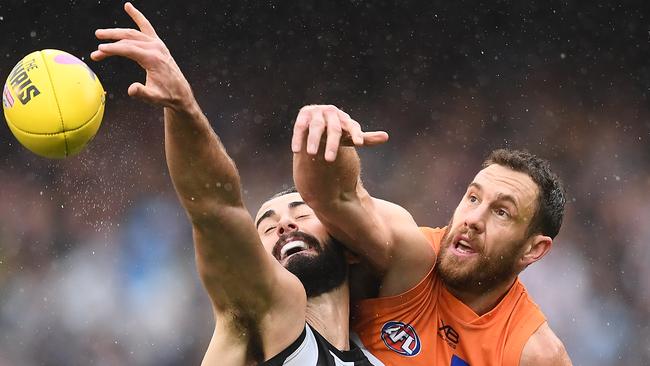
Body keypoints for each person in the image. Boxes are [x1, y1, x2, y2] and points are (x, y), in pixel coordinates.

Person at [91, 4, 379, 365]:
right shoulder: (257, 325)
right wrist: (185, 109)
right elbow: (215, 208)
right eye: (267, 227)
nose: (284, 225)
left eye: (301, 215)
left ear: (349, 246)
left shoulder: (384, 356)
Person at [291, 105, 573, 365]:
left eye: (501, 212)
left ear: (533, 250)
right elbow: (337, 198)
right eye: (473, 198)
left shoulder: (533, 354)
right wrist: (322, 135)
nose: (473, 219)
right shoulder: (410, 256)